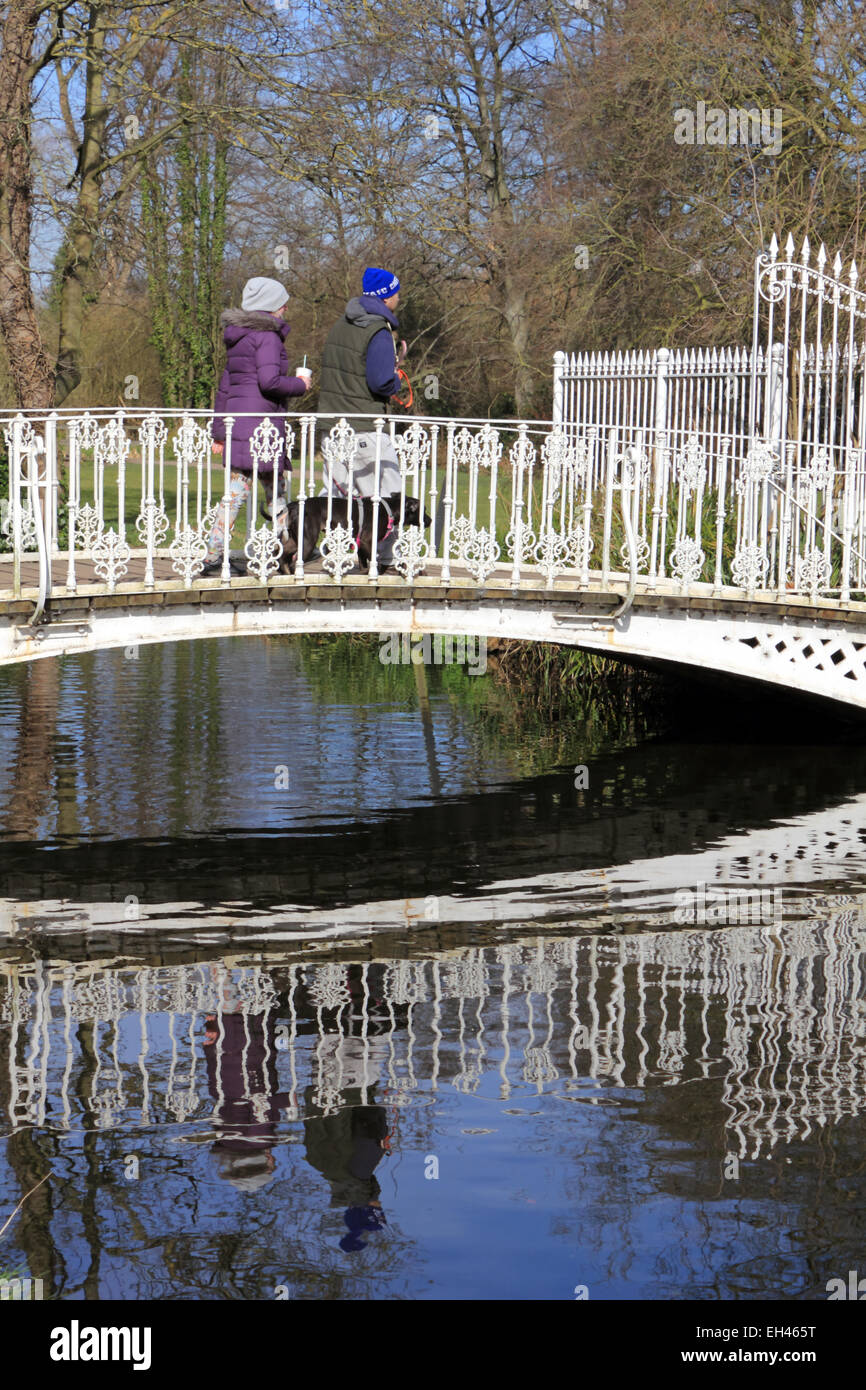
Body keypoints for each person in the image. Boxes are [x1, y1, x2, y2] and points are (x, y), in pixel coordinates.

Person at [205, 277, 312, 576]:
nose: (286, 307)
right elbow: (270, 382)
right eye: (283, 302)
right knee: (274, 494)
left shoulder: (237, 337)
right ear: (272, 307)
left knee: (238, 493)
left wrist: (219, 433)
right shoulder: (268, 337)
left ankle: (213, 556)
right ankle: (286, 552)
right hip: (262, 428)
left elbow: (224, 389)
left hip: (239, 426)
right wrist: (301, 385)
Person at [317, 268, 408, 566]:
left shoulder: (340, 325)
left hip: (331, 426)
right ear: (386, 296)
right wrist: (396, 375)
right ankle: (385, 559)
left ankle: (337, 553)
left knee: (339, 497)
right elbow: (380, 382)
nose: (398, 297)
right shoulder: (378, 330)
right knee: (387, 497)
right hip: (365, 426)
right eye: (396, 292)